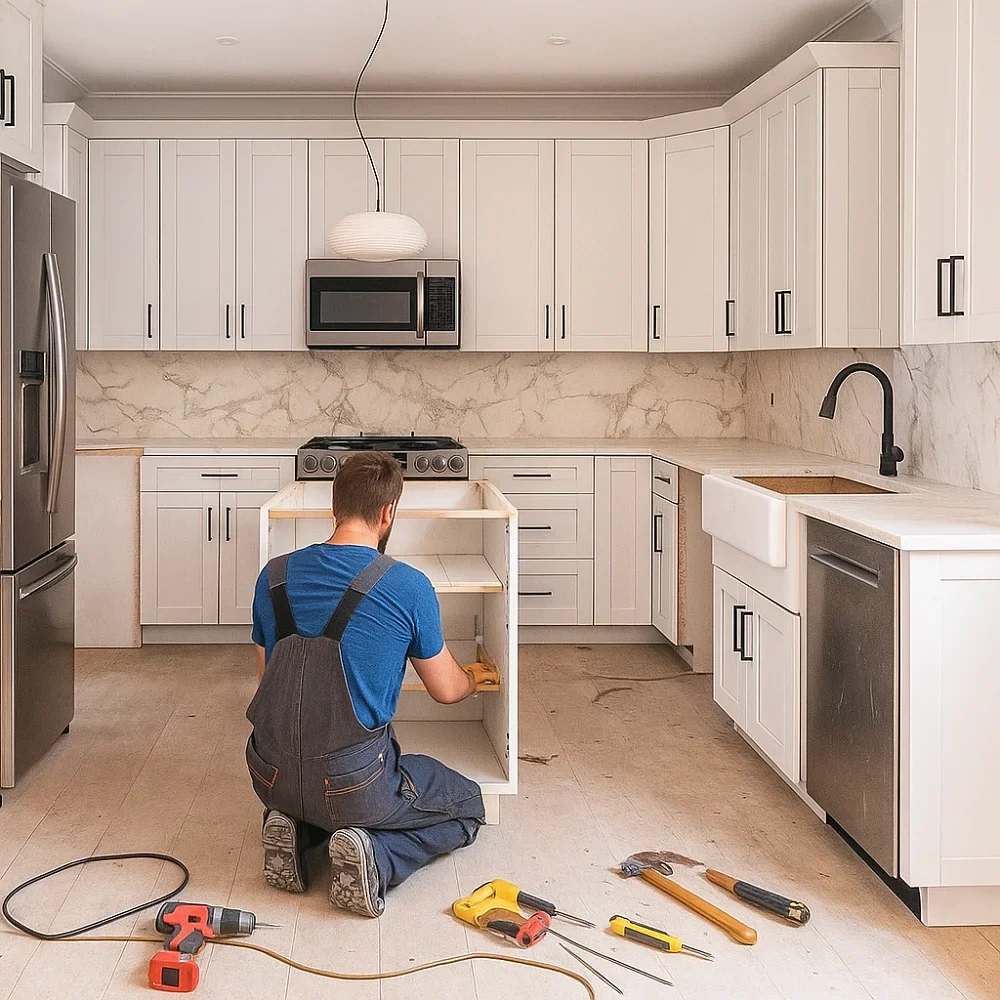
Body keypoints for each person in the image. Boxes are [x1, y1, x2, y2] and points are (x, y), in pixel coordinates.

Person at [246, 451, 492, 917]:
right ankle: (376, 857)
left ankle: (297, 831)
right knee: (466, 803)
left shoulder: (272, 576)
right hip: (354, 784)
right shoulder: (407, 586)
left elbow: (269, 681)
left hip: (269, 774)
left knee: (312, 792)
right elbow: (446, 690)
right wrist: (474, 679)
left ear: (333, 506)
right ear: (388, 512)